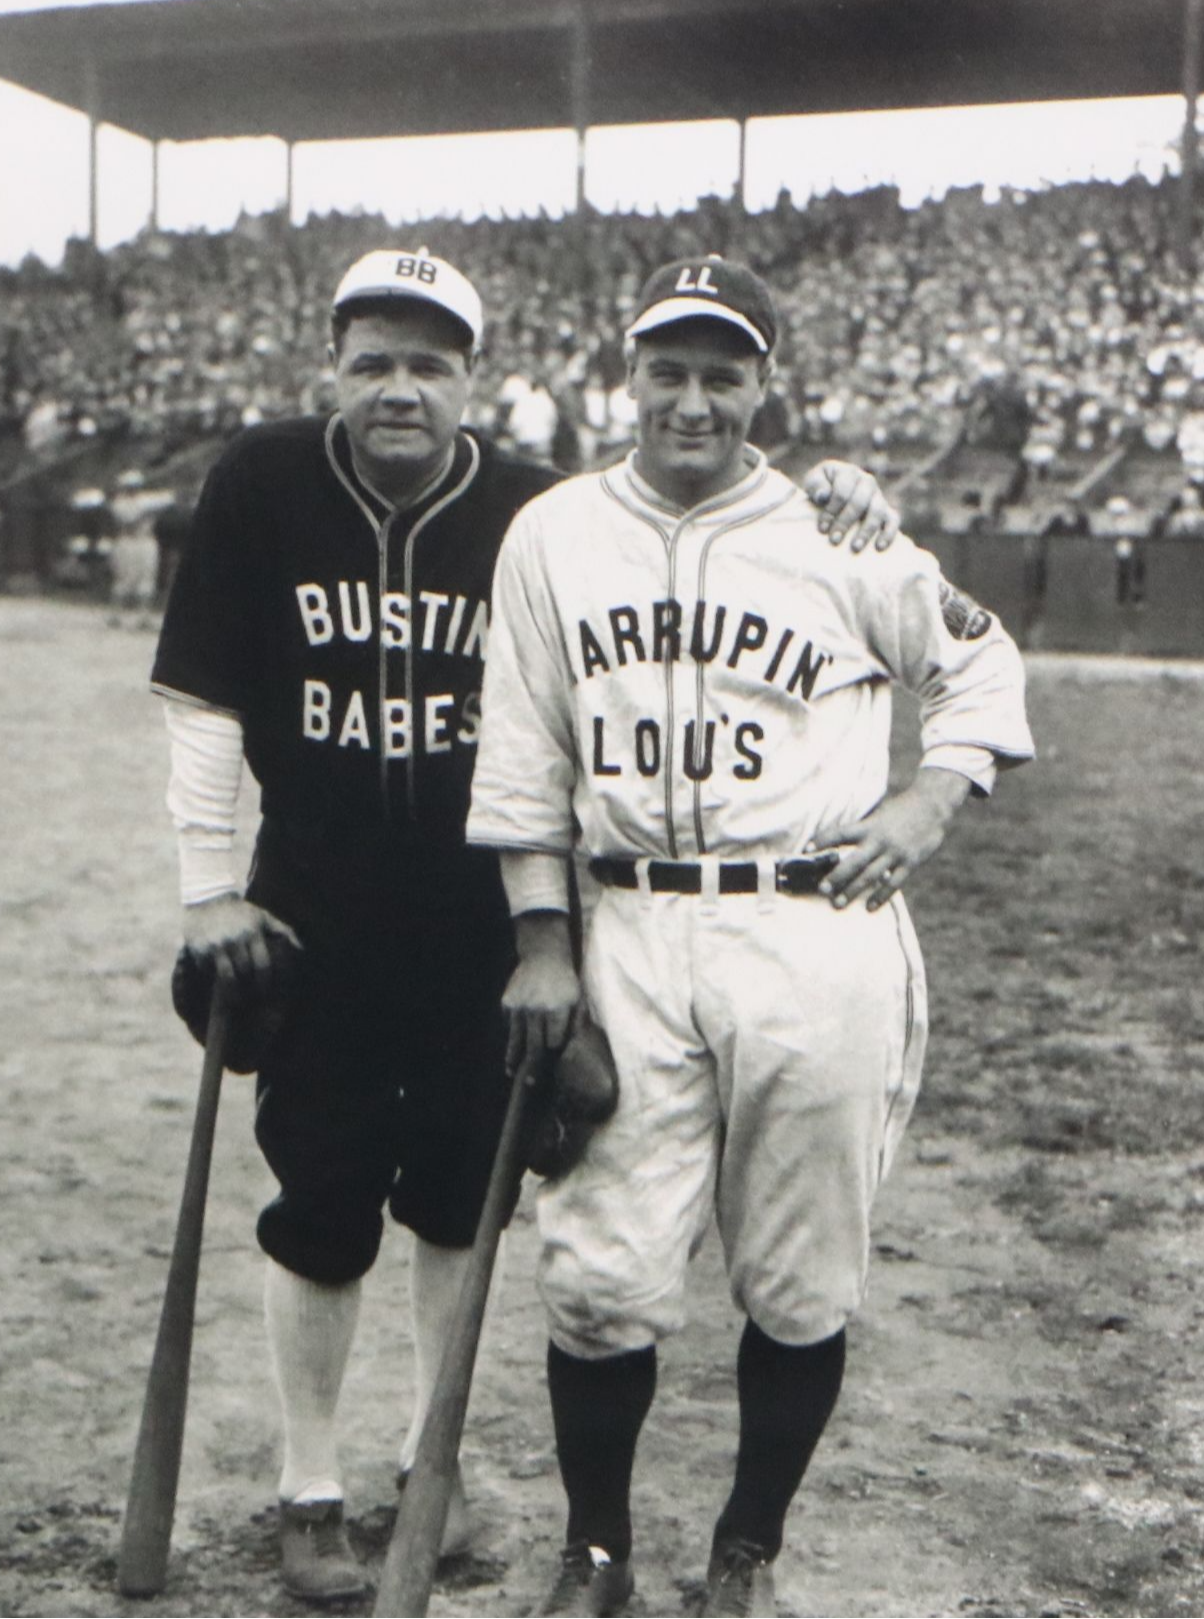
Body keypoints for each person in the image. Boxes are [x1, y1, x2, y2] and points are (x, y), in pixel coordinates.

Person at [149, 245, 901, 1605]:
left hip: (480, 910)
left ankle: (426, 1467)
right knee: (318, 1204)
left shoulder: (530, 509)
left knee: (462, 1202)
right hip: (307, 897)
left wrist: (843, 488)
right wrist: (210, 885)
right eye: (374, 359)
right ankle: (311, 1485)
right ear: (334, 364)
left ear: (471, 380)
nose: (400, 388)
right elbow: (203, 701)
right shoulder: (260, 481)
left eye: (430, 363)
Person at [466, 255, 1035, 1619]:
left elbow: (981, 660)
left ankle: (745, 1554)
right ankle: (594, 1549)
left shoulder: (840, 529)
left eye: (725, 372)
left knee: (798, 1271)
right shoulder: (551, 532)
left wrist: (927, 799)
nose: (694, 398)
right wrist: (542, 942)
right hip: (628, 925)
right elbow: (524, 752)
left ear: (764, 387)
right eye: (670, 367)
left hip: (811, 924)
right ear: (631, 373)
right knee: (598, 1269)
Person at [107, 467, 174, 629]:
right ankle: (115, 615)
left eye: (135, 486)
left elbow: (169, 498)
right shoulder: (118, 503)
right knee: (124, 579)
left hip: (146, 541)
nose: (133, 489)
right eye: (129, 486)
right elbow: (129, 519)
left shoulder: (146, 499)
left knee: (147, 578)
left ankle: (144, 617)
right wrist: (146, 510)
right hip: (127, 541)